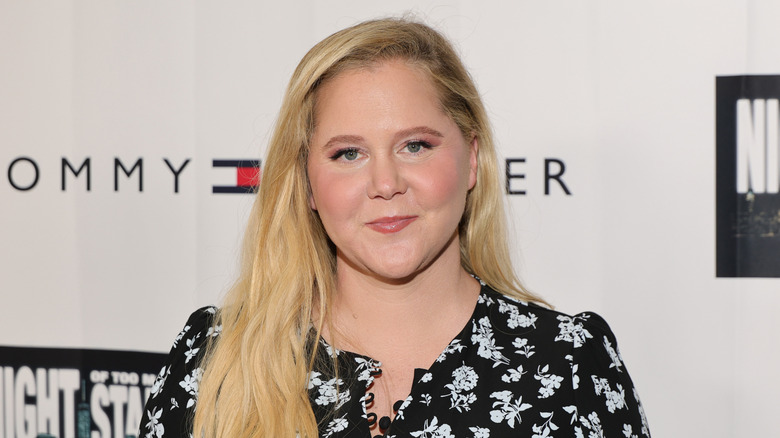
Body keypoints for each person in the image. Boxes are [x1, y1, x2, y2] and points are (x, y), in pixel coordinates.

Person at [139, 18, 650, 438]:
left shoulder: (569, 366)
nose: (385, 183)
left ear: (472, 160)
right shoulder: (216, 359)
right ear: (309, 185)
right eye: (348, 153)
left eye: (415, 146)